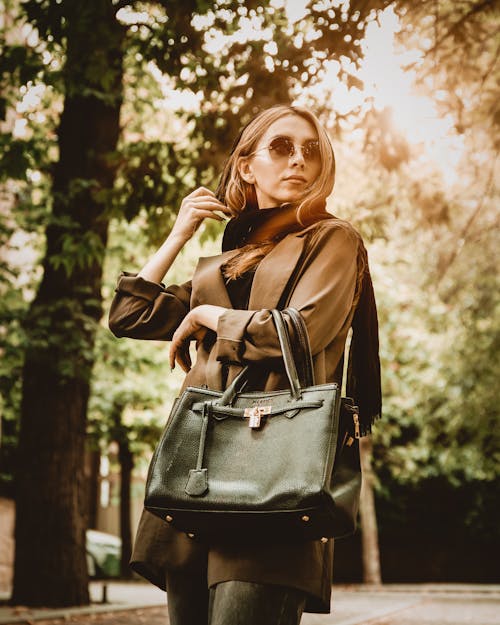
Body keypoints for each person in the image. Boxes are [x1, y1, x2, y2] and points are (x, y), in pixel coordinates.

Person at [108, 104, 381, 625]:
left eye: (311, 150)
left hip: (275, 473)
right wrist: (180, 233)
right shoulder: (219, 265)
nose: (299, 159)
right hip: (199, 475)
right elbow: (130, 315)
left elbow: (298, 334)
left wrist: (209, 316)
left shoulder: (332, 239)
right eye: (281, 147)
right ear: (246, 166)